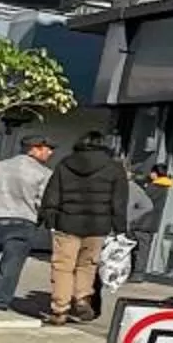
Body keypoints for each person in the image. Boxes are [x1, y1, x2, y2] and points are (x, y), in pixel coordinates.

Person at [37, 132, 131, 326]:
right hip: (98, 225)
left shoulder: (65, 164)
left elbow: (52, 194)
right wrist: (119, 228)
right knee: (88, 265)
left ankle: (60, 309)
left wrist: (50, 218)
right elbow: (119, 202)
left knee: (63, 266)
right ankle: (82, 298)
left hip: (67, 222)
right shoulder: (114, 168)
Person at [0, 137, 56, 312]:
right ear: (33, 149)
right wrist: (37, 218)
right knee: (11, 265)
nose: (50, 152)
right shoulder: (44, 173)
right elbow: (43, 201)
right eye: (47, 148)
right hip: (22, 221)